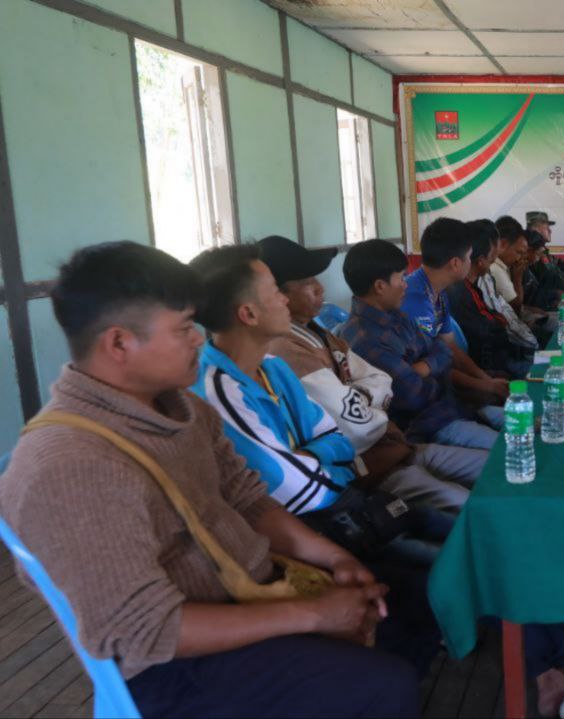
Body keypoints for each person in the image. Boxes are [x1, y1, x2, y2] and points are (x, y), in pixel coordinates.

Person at [0, 241, 419, 717]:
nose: (199, 341)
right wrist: (313, 614)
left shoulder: (183, 409)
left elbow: (250, 499)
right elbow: (145, 631)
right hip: (172, 666)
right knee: (383, 685)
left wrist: (334, 558)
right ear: (119, 344)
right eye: (183, 329)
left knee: (404, 605)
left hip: (248, 591)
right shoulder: (69, 466)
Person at [188, 245, 454, 572]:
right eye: (274, 291)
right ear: (249, 314)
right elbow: (302, 488)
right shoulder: (219, 392)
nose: (284, 299)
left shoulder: (272, 367)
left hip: (349, 502)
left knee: (458, 530)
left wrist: (311, 456)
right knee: (451, 566)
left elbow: (337, 438)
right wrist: (326, 458)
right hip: (314, 531)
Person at [256, 235, 485, 515]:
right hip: (376, 466)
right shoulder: (290, 350)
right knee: (473, 506)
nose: (320, 287)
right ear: (277, 296)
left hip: (400, 446)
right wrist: (371, 399)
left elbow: (387, 377)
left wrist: (360, 393)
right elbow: (359, 423)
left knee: (495, 468)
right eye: (307, 282)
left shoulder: (321, 333)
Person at [339, 238, 500, 450]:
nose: (405, 284)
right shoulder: (366, 339)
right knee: (509, 451)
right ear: (380, 286)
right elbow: (413, 396)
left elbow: (441, 349)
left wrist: (423, 368)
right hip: (429, 425)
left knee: (527, 424)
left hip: (452, 406)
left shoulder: (395, 315)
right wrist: (435, 371)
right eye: (401, 278)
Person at [402, 219, 510, 408]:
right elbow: (434, 366)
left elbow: (450, 347)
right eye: (469, 257)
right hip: (424, 401)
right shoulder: (415, 301)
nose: (471, 262)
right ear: (455, 263)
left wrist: (487, 380)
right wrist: (485, 385)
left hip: (441, 385)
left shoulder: (439, 291)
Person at [444, 224, 533, 378]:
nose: (494, 261)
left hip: (495, 358)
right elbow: (487, 328)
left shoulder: (472, 285)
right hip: (490, 363)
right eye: (492, 258)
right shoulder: (460, 290)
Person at [469, 219, 544, 350]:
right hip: (508, 347)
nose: (520, 258)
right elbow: (512, 310)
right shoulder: (491, 271)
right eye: (519, 252)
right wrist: (517, 277)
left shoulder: (489, 275)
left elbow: (506, 310)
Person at [526, 210, 564, 288]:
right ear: (536, 229)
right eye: (547, 228)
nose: (550, 231)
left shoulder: (541, 248)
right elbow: (551, 278)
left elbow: (557, 262)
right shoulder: (534, 250)